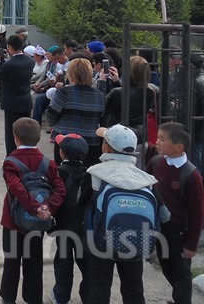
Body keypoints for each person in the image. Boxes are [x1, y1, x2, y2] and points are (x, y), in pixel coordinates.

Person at [85, 124, 157, 304]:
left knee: (99, 288)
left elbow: (82, 203)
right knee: (134, 288)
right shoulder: (144, 179)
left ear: (107, 148)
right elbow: (162, 212)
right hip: (136, 241)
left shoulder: (96, 173)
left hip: (101, 241)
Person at [0, 118, 66, 304]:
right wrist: (47, 208)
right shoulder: (48, 163)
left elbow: (16, 188)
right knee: (34, 259)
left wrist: (33, 207)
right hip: (38, 221)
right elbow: (60, 189)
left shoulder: (11, 162)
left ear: (15, 138)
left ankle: (8, 296)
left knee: (12, 258)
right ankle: (33, 297)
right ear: (38, 138)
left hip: (13, 219)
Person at [151, 122, 204, 304]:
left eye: (162, 139)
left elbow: (198, 214)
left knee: (181, 274)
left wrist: (191, 245)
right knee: (166, 267)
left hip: (179, 232)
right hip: (160, 227)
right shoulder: (156, 162)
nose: (157, 142)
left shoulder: (191, 175)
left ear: (178, 147)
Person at [49, 134, 91, 304]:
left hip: (63, 225)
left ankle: (60, 295)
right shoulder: (90, 174)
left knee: (63, 262)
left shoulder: (57, 173)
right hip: (84, 226)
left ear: (62, 153)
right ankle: (88, 296)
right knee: (87, 264)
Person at [45, 58, 106, 167]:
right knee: (89, 174)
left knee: (63, 173)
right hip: (91, 142)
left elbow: (51, 115)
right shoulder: (99, 95)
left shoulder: (65, 92)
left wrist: (54, 124)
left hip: (65, 141)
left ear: (71, 74)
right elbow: (101, 116)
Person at [0, 35, 34, 156]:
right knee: (25, 132)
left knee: (11, 134)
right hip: (25, 100)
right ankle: (26, 156)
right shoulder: (30, 61)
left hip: (12, 103)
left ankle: (12, 158)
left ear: (10, 47)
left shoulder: (9, 64)